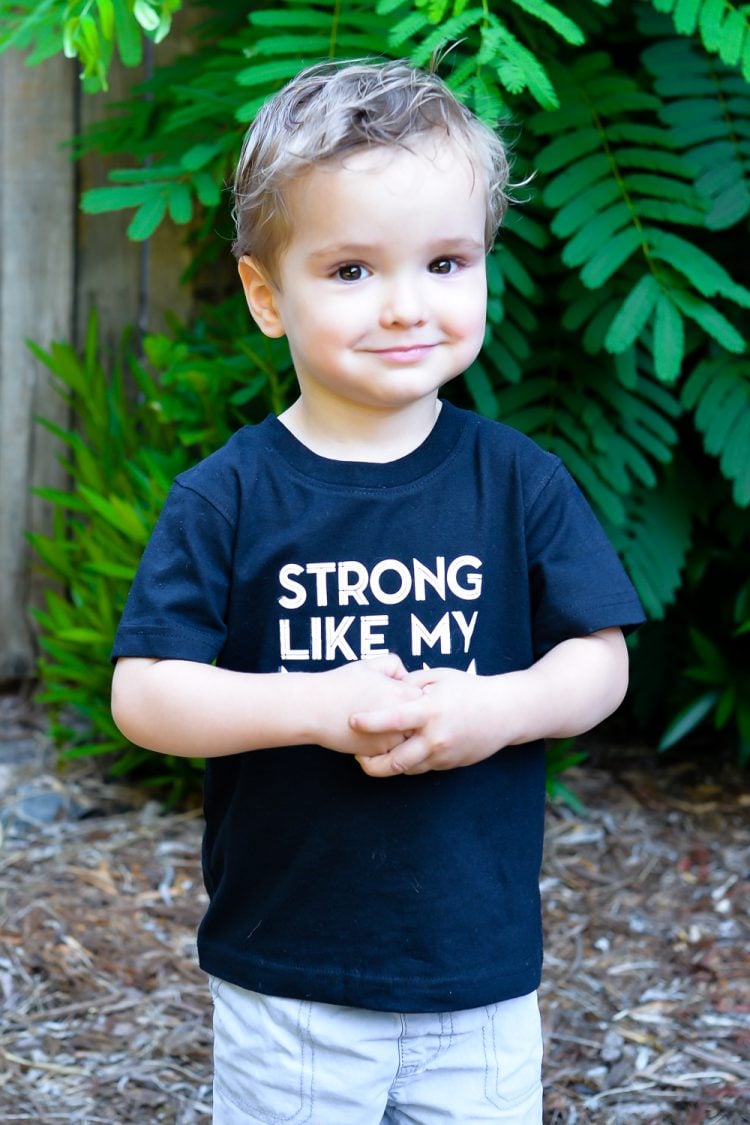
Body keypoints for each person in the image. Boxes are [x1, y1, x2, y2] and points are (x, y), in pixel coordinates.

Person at [111, 59, 645, 1124]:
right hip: (291, 976)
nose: (408, 305)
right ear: (268, 295)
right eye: (351, 270)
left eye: (447, 262)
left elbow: (601, 663)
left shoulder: (517, 481)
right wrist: (316, 705)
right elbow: (147, 694)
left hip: (479, 974)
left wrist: (493, 710)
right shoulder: (229, 496)